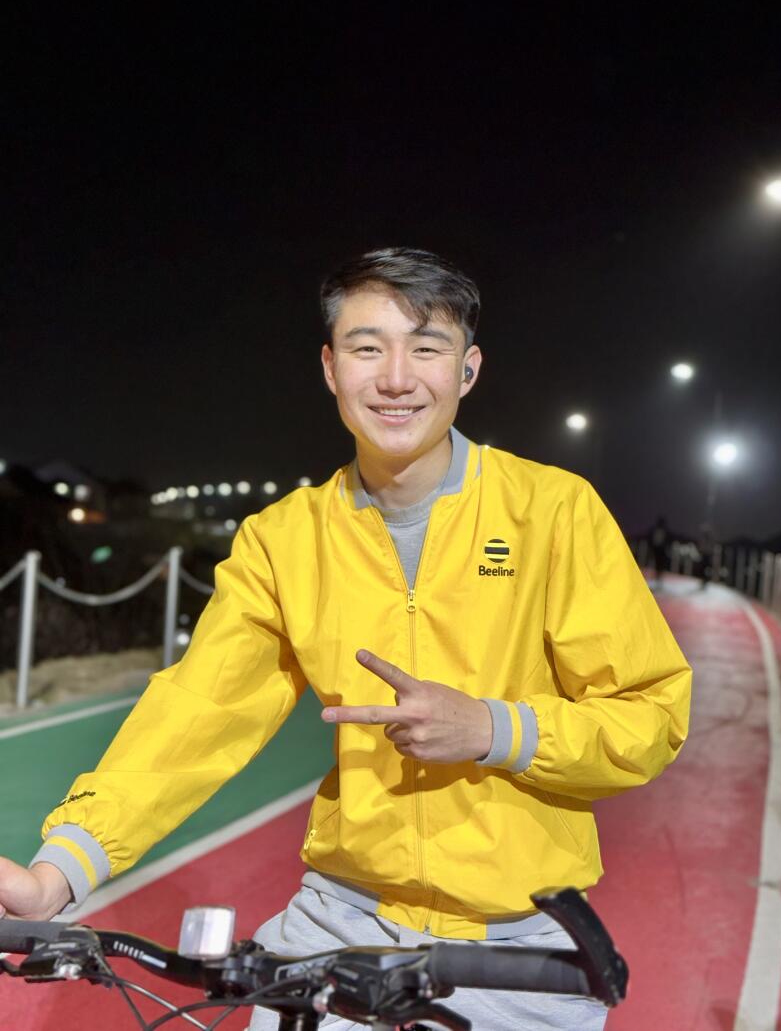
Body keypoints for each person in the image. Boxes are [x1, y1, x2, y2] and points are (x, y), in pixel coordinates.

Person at [0, 248, 692, 1030]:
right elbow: (196, 712)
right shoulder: (284, 538)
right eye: (368, 348)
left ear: (467, 370)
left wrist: (494, 728)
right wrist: (62, 870)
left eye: (426, 347)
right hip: (337, 922)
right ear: (331, 368)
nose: (396, 378)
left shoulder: (555, 512)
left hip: (516, 941)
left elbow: (651, 713)